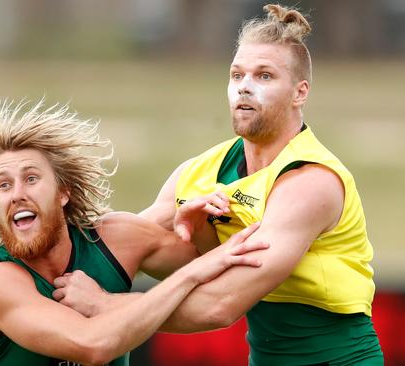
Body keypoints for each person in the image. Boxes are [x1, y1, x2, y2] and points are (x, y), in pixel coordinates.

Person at [53, 4, 384, 365]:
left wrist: (107, 306)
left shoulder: (311, 182)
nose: (244, 87)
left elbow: (220, 306)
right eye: (236, 75)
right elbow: (124, 244)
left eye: (264, 77)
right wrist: (30, 263)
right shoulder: (200, 172)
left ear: (299, 93)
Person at [0, 98, 270, 366]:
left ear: (63, 192)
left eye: (32, 178)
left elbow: (220, 279)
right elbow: (92, 344)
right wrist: (184, 278)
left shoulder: (116, 240)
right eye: (3, 185)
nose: (18, 192)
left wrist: (197, 230)